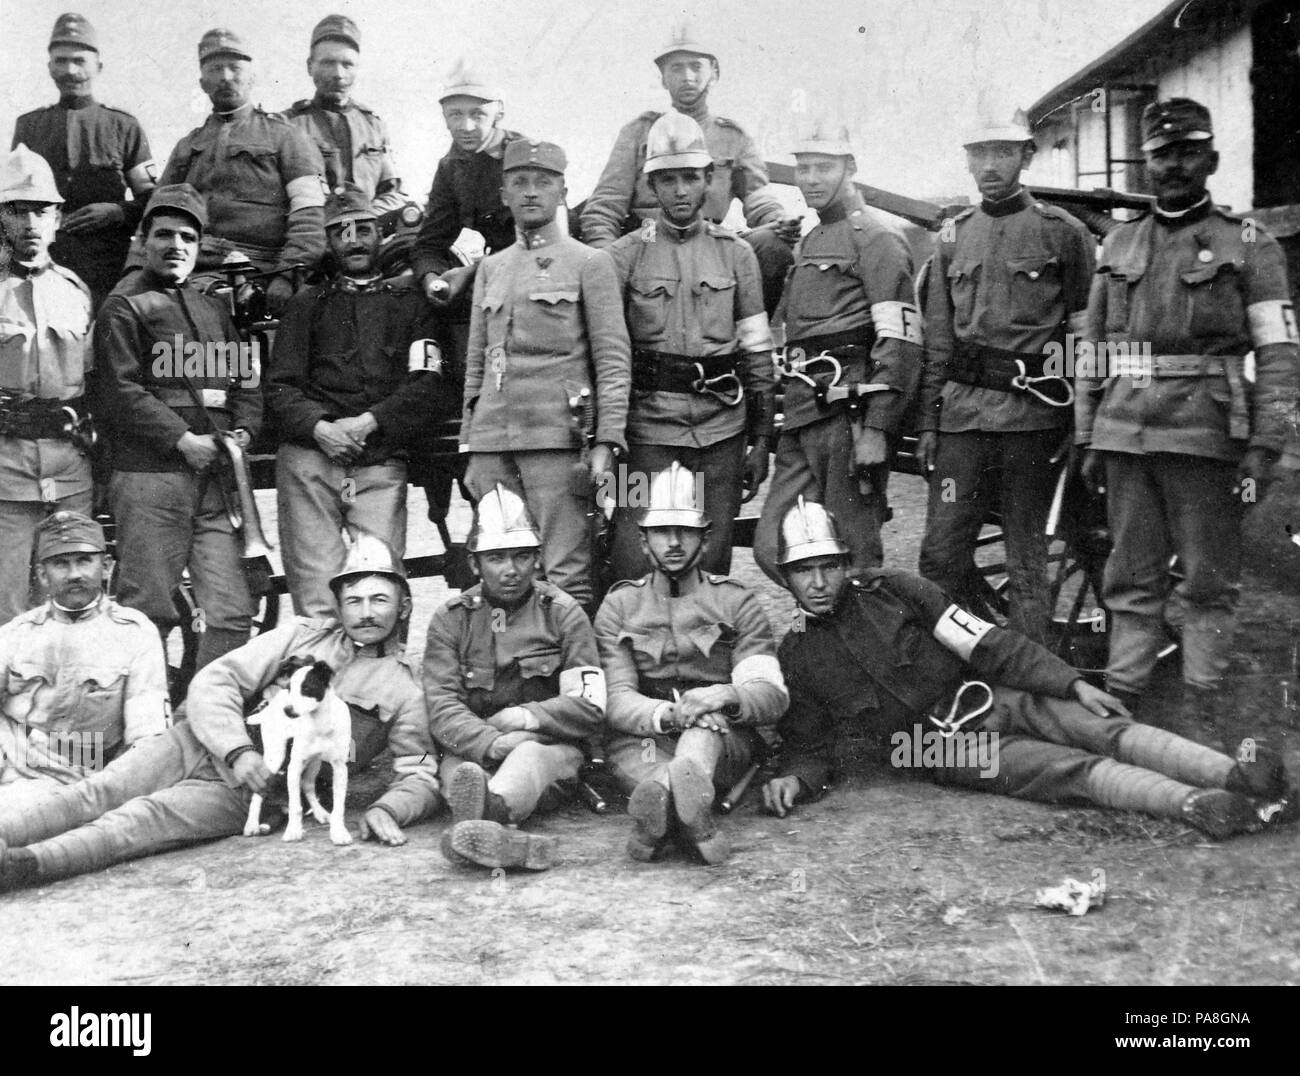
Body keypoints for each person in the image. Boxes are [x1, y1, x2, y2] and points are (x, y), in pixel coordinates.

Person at [760, 497, 1296, 839]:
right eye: (804, 571)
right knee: (1065, 771)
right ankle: (1197, 804)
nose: (819, 582)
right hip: (939, 748)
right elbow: (809, 743)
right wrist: (796, 780)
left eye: (828, 566)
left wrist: (1069, 682)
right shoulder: (798, 656)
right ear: (787, 579)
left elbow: (988, 644)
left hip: (991, 694)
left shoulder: (895, 591)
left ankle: (1233, 773)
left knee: (1101, 725)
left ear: (845, 565)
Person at [0, 536, 440, 893]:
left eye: (379, 600)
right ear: (338, 605)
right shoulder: (298, 636)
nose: (365, 613)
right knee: (101, 790)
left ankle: (27, 866)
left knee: (139, 822)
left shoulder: (406, 689)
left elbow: (417, 772)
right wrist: (237, 750)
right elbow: (216, 681)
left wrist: (391, 810)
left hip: (251, 793)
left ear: (403, 605)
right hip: (201, 742)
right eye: (354, 600)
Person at [1078, 98, 1300, 738]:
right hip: (1125, 431)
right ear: (1145, 164)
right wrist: (1087, 432)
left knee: (1207, 581)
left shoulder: (1249, 243)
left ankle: (1205, 710)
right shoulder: (1117, 243)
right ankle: (1124, 707)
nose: (1173, 166)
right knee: (1131, 576)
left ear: (1212, 159)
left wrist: (1267, 440)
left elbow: (1280, 354)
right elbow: (1091, 349)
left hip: (1206, 432)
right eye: (1160, 154)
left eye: (1186, 152)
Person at [917, 107, 1094, 643]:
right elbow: (939, 340)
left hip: (1032, 422)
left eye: (1002, 151)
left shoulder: (1064, 234)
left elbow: (1086, 338)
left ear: (1026, 155)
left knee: (1027, 561)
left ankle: (1031, 681)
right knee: (940, 552)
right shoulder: (952, 236)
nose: (990, 164)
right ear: (968, 161)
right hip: (963, 423)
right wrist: (929, 421)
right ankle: (949, 669)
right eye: (979, 153)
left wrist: (1080, 425)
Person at [92, 184, 262, 669]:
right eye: (164, 234)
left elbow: (247, 380)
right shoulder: (123, 307)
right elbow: (118, 391)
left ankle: (202, 713)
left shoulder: (212, 309)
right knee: (145, 614)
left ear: (199, 245)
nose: (176, 246)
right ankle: (146, 724)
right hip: (151, 480)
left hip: (216, 487)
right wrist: (181, 440)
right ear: (144, 240)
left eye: (188, 237)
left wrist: (245, 430)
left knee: (233, 612)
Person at [267, 183, 455, 618]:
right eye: (341, 232)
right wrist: (321, 428)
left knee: (381, 587)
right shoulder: (306, 304)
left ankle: (381, 679)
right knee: (317, 596)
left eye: (363, 229)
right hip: (312, 462)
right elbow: (280, 387)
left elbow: (427, 382)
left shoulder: (410, 304)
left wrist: (369, 422)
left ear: (378, 235)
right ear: (329, 243)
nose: (353, 240)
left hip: (378, 458)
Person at [461, 138, 631, 613]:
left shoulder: (590, 263)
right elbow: (478, 363)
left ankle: (578, 679)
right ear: (503, 194)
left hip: (559, 439)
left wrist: (607, 441)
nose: (531, 192)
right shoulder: (491, 268)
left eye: (543, 182)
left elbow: (613, 359)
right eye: (519, 182)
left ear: (563, 191)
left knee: (566, 573)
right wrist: (470, 443)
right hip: (493, 442)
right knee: (501, 566)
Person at [606, 112, 776, 580]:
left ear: (708, 181)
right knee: (633, 558)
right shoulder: (623, 256)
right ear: (651, 186)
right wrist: (608, 439)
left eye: (690, 178)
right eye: (667, 180)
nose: (680, 191)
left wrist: (760, 441)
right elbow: (606, 356)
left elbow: (757, 351)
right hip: (647, 434)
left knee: (710, 558)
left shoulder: (737, 254)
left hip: (721, 432)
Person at [753, 123, 922, 584]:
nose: (810, 178)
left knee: (857, 558)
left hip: (850, 416)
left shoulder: (877, 239)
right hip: (804, 413)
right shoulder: (809, 240)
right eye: (803, 168)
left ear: (851, 169)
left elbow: (901, 341)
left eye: (824, 168)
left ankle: (866, 649)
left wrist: (878, 428)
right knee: (773, 546)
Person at [594, 462, 788, 864]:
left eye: (686, 531)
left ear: (706, 540)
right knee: (651, 760)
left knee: (702, 734)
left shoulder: (736, 601)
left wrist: (724, 695)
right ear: (644, 542)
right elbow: (615, 697)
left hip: (723, 736)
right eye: (662, 532)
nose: (675, 543)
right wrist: (670, 714)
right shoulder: (619, 605)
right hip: (646, 738)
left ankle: (661, 820)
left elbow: (771, 694)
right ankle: (688, 816)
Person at [424, 485, 605, 871]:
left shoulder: (563, 613)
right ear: (474, 564)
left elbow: (589, 706)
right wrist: (494, 743)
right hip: (474, 751)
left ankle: (488, 817)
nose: (510, 570)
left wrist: (527, 719)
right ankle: (507, 841)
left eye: (522, 556)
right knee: (463, 778)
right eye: (496, 558)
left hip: (548, 750)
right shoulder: (451, 618)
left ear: (537, 560)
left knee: (527, 758)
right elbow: (441, 707)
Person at [580, 22, 798, 314]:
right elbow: (605, 207)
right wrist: (606, 263)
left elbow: (758, 197)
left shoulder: (733, 136)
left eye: (696, 66)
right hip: (648, 239)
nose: (687, 77)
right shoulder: (638, 132)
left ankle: (743, 336)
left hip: (710, 241)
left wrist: (779, 220)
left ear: (714, 73)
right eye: (676, 68)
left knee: (772, 244)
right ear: (663, 78)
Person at [0, 512, 168, 808]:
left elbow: (146, 734)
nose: (74, 573)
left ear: (105, 567)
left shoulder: (135, 632)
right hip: (13, 764)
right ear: (42, 574)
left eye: (84, 561)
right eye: (61, 564)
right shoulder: (16, 634)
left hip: (85, 773)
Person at [156, 28, 326, 312]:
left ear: (252, 76)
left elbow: (310, 214)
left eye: (235, 68)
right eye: (215, 69)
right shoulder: (188, 146)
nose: (225, 77)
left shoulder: (287, 137)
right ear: (202, 82)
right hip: (192, 270)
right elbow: (156, 216)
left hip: (265, 271)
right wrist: (134, 274)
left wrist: (288, 275)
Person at [0, 145, 95, 625]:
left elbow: (94, 379)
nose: (31, 224)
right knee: (9, 608)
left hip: (69, 470)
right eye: (17, 211)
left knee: (75, 599)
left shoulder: (75, 290)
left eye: (41, 210)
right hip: (6, 473)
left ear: (58, 218)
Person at [12, 12, 157, 309]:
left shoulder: (124, 126)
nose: (70, 71)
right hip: (44, 262)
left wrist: (116, 211)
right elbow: (13, 200)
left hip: (107, 264)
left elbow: (151, 199)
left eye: (79, 61)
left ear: (98, 67)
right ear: (50, 68)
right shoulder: (29, 127)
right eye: (61, 61)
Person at [412, 59, 526, 313]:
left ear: (499, 112)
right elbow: (430, 243)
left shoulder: (524, 158)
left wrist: (472, 272)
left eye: (477, 114)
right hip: (493, 273)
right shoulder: (451, 167)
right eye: (455, 115)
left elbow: (538, 245)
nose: (466, 127)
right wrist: (432, 280)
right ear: (444, 117)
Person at [280, 15, 405, 213]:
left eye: (347, 64)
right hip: (312, 234)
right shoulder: (286, 125)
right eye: (328, 63)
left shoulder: (373, 126)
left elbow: (393, 192)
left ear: (357, 68)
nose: (338, 74)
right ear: (309, 66)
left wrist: (363, 221)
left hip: (366, 232)